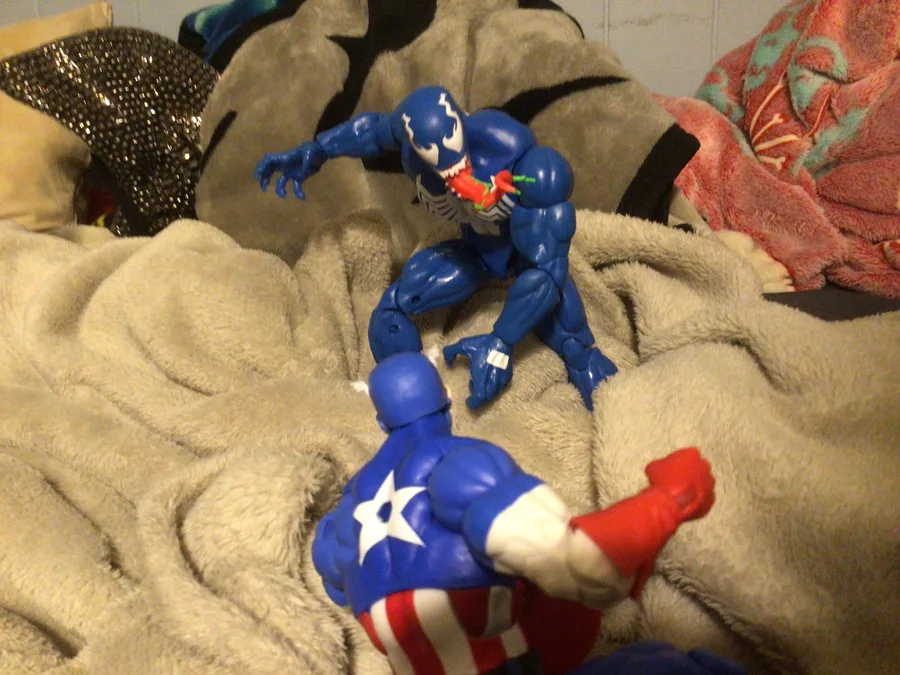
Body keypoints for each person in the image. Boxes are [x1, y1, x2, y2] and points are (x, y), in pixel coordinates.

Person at [311, 353, 720, 675]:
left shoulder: (343, 515)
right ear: (447, 397)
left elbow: (338, 585)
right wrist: (668, 500)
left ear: (381, 422)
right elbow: (582, 563)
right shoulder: (459, 464)